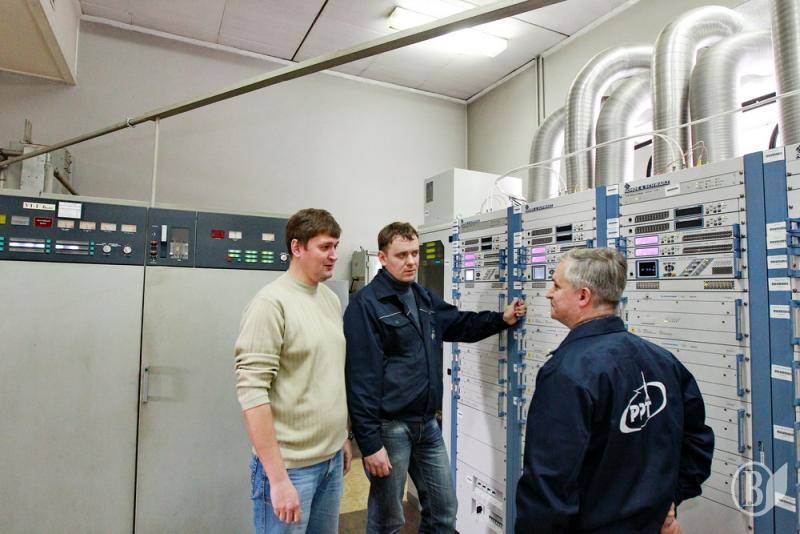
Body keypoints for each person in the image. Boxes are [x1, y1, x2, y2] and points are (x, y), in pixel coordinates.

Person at [515, 248, 714, 533]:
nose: (549, 294)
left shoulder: (566, 373)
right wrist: (669, 500)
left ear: (583, 296)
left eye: (556, 286)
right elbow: (698, 442)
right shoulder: (662, 361)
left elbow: (549, 484)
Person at [344, 221, 526, 533]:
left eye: (415, 253)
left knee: (444, 511)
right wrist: (370, 444)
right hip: (391, 428)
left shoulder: (422, 297)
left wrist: (501, 319)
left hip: (426, 424)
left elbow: (458, 323)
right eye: (402, 255)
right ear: (383, 258)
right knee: (389, 519)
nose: (411, 261)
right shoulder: (366, 306)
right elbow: (360, 381)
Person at [234, 208, 352, 533]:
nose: (334, 255)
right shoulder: (270, 304)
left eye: (335, 246)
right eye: (325, 247)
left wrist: (341, 437)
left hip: (330, 461)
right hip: (291, 468)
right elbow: (252, 393)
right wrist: (277, 478)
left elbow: (327, 375)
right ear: (297, 247)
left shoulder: (329, 299)